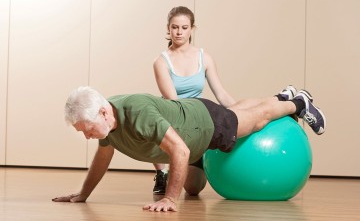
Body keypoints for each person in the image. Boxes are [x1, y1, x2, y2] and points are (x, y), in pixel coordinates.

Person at [52, 85, 326, 212]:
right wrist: (83, 194)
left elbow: (179, 152)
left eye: (87, 130)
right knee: (193, 188)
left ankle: (298, 103)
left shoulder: (136, 113)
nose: (88, 137)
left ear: (102, 112)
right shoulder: (107, 123)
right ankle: (281, 96)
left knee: (257, 120)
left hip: (203, 125)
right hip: (190, 137)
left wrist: (170, 199)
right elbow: (103, 156)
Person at [151, 6, 236, 195]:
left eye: (184, 27)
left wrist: (238, 113)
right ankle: (162, 172)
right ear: (168, 28)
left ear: (192, 29)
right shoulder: (161, 62)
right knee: (154, 123)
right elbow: (174, 102)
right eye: (174, 27)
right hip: (174, 117)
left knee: (193, 188)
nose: (179, 32)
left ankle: (198, 158)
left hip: (198, 118)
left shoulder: (204, 58)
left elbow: (221, 94)